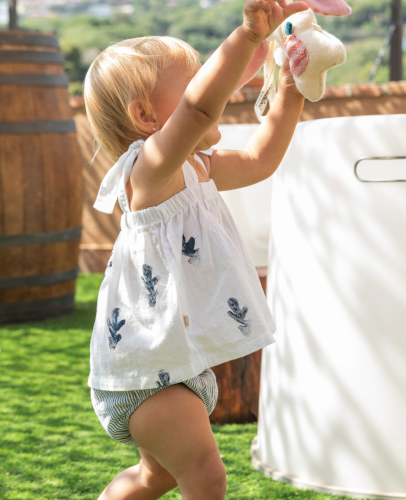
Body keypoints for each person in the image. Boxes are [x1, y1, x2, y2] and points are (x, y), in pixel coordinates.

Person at [84, 0, 307, 498]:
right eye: (197, 79)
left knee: (154, 476)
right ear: (145, 116)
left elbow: (259, 158)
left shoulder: (199, 166)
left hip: (177, 363)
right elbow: (200, 108)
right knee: (206, 474)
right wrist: (249, 37)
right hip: (146, 373)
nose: (216, 92)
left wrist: (290, 90)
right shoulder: (150, 171)